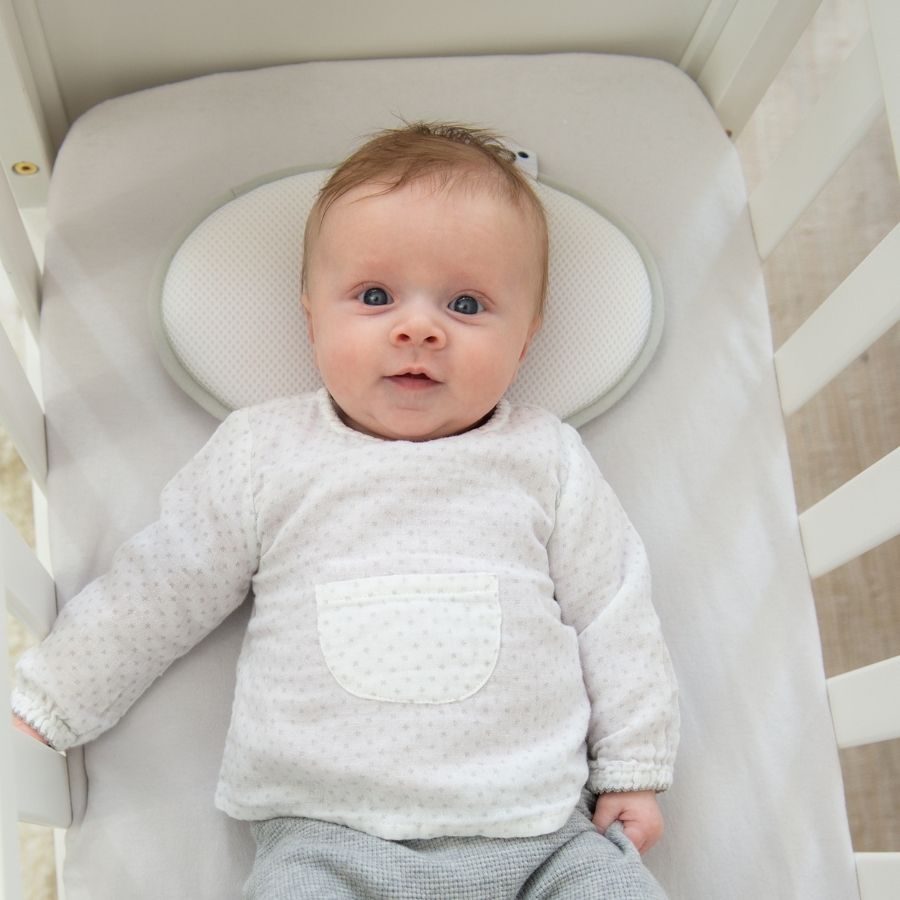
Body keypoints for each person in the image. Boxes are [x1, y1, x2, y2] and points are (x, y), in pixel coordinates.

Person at [12, 122, 679, 899]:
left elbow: (615, 611)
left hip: (541, 831)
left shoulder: (545, 458)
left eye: (467, 304)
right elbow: (161, 586)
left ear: (526, 339)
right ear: (311, 317)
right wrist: (47, 706)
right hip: (327, 840)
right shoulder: (267, 453)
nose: (418, 327)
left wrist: (633, 767)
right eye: (374, 296)